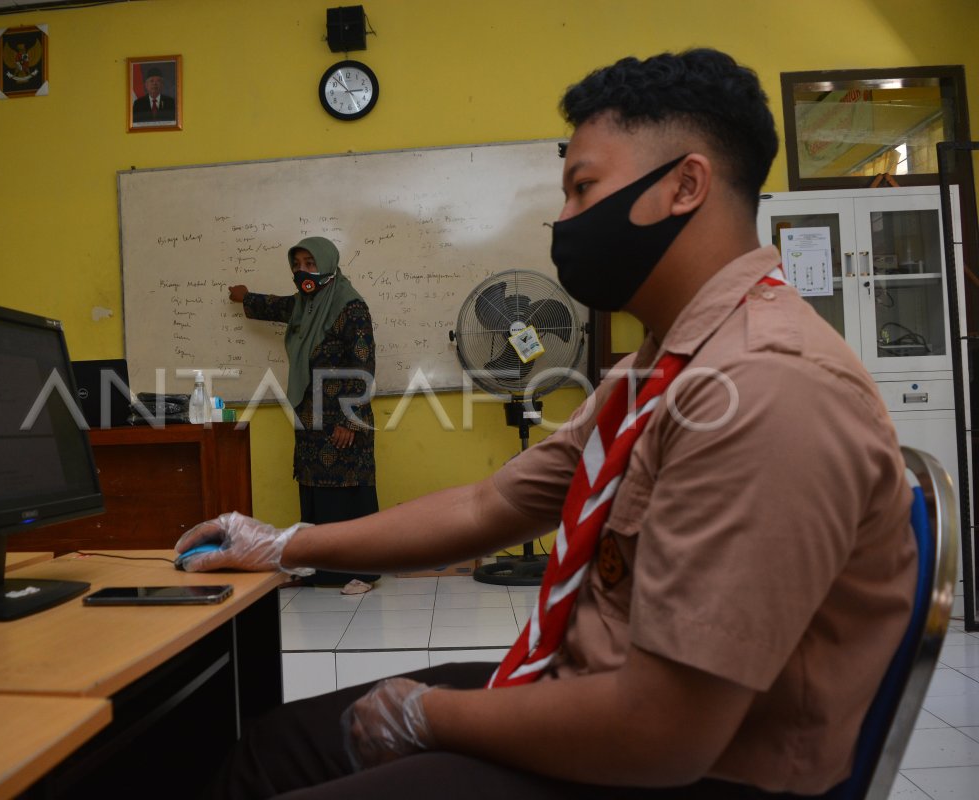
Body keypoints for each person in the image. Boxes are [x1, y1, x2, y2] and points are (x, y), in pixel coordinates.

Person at [179, 49, 915, 799]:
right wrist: (281, 544)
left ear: (685, 186)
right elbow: (489, 505)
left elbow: (662, 732)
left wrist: (431, 718)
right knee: (273, 748)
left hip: (691, 769)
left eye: (583, 188)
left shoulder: (763, 386)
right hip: (599, 689)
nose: (564, 222)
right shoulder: (656, 370)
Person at [227, 236, 380, 590]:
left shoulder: (350, 307)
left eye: (310, 263)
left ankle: (360, 572)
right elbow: (278, 307)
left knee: (345, 495)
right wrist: (245, 297)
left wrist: (348, 420)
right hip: (310, 420)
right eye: (297, 264)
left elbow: (364, 365)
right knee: (315, 493)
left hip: (342, 420)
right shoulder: (305, 305)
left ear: (327, 261)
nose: (302, 271)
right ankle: (317, 569)